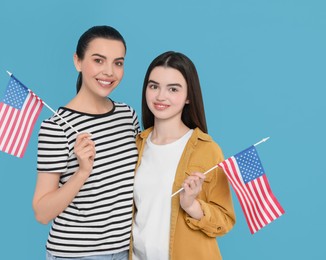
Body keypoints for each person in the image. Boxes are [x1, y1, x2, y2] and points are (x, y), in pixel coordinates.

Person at [32, 25, 140, 260]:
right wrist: (82, 172)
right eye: (98, 60)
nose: (109, 72)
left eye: (118, 63)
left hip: (126, 251)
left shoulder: (127, 116)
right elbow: (42, 212)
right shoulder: (56, 127)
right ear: (78, 62)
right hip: (77, 255)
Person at [131, 51, 236, 260]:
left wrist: (191, 205)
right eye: (154, 86)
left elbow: (224, 220)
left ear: (188, 96)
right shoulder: (136, 145)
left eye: (173, 89)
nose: (161, 96)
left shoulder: (207, 150)